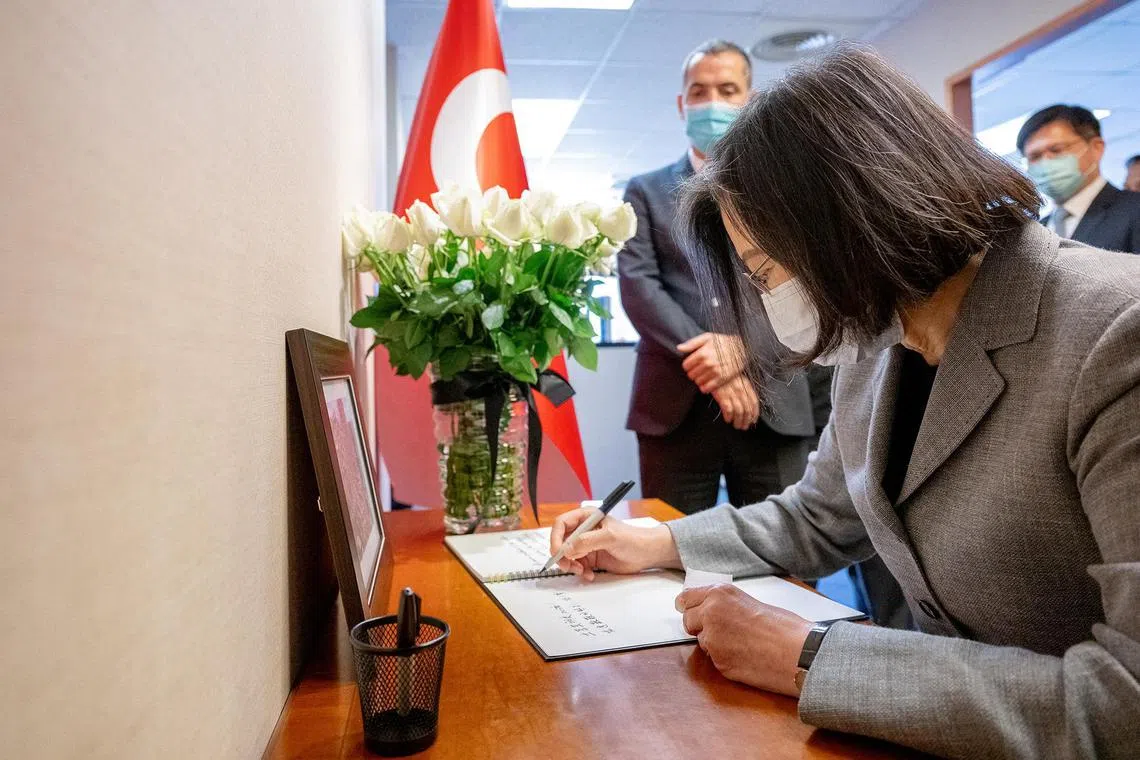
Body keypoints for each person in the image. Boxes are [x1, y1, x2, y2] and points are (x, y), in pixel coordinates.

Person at [551, 44, 1140, 759]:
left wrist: (814, 656)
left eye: (765, 273)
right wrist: (653, 543)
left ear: (851, 226)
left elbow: (1126, 703)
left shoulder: (1117, 333)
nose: (768, 305)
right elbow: (819, 515)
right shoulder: (879, 338)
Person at [619, 39, 825, 515]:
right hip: (675, 407)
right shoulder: (645, 191)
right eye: (699, 91)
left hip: (775, 398)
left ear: (750, 100)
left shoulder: (790, 190)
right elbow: (638, 285)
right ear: (682, 103)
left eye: (727, 90)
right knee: (665, 546)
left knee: (781, 548)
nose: (712, 102)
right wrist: (714, 362)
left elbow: (811, 287)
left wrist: (744, 350)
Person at [1017, 104, 1140, 253]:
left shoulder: (1134, 210)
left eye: (1057, 150)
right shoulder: (1034, 233)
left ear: (1096, 147)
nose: (1045, 163)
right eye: (1035, 157)